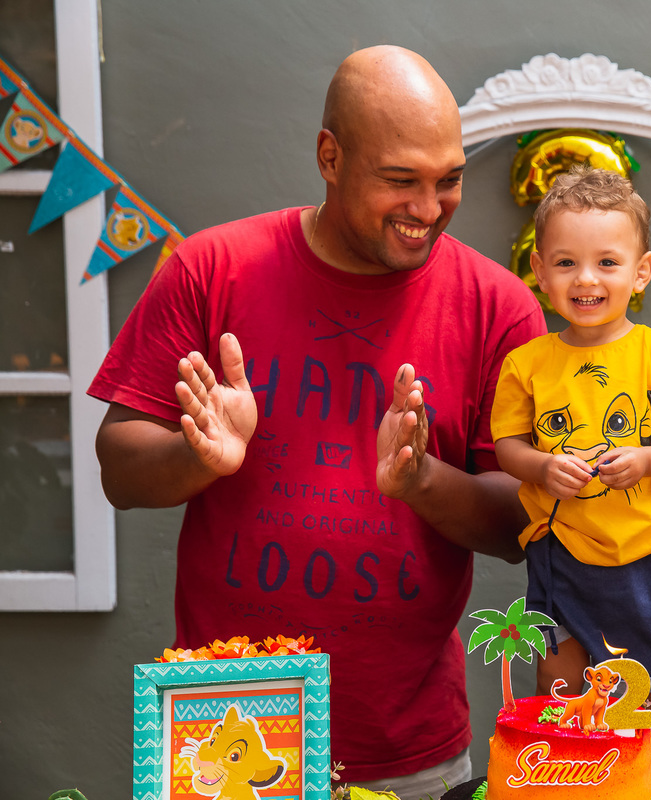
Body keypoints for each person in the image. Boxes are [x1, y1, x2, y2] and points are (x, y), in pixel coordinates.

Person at [88, 46, 546, 795]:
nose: (429, 209)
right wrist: (197, 459)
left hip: (408, 747)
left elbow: (518, 527)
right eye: (401, 180)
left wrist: (423, 479)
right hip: (227, 728)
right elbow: (118, 468)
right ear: (330, 157)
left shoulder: (500, 308)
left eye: (449, 180)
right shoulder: (211, 269)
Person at [490, 167, 651, 770]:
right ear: (538, 271)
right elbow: (507, 447)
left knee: (647, 687)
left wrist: (646, 459)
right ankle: (570, 777)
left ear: (641, 272)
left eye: (607, 263)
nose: (586, 279)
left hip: (640, 558)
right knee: (561, 684)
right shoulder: (527, 363)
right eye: (565, 263)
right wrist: (540, 467)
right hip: (558, 553)